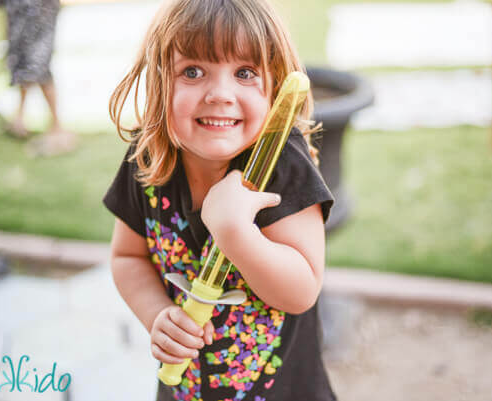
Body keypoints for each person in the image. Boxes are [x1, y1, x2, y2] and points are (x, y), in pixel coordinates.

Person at [103, 0, 336, 400]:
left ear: (276, 85)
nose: (220, 94)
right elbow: (128, 257)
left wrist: (234, 231)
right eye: (192, 71)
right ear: (161, 81)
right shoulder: (150, 157)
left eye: (245, 73)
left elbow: (301, 290)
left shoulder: (281, 167)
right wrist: (158, 314)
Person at [0, 0, 76, 156]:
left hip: (36, 9)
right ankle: (19, 119)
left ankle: (57, 127)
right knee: (23, 63)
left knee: (38, 64)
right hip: (21, 9)